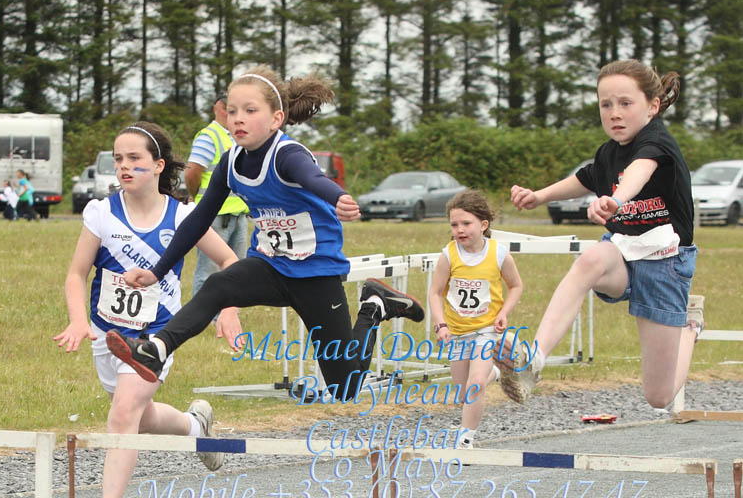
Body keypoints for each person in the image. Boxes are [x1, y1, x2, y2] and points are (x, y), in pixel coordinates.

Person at [105, 66, 425, 403]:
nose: (237, 119)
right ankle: (157, 348)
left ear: (276, 119)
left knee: (344, 388)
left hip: (316, 274)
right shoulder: (230, 163)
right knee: (218, 284)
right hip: (270, 267)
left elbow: (314, 179)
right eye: (232, 111)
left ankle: (373, 307)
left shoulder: (288, 155)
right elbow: (198, 220)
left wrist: (338, 198)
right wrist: (157, 271)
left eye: (249, 110)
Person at [53, 121, 242, 498]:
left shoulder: (182, 217)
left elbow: (231, 259)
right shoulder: (101, 213)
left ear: (158, 165)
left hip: (157, 337)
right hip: (107, 334)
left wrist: (227, 308)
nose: (124, 167)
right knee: (139, 417)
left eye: (135, 159)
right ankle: (197, 427)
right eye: (118, 159)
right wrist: (79, 321)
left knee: (123, 412)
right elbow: (76, 274)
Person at [503, 59, 703, 408]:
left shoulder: (657, 142)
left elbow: (640, 171)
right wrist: (539, 196)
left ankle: (691, 328)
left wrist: (616, 200)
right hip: (624, 251)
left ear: (652, 106)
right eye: (606, 105)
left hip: (665, 262)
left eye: (626, 104)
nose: (614, 113)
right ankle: (535, 359)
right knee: (590, 259)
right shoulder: (610, 151)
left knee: (659, 396)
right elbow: (585, 178)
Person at [428, 190, 523, 448]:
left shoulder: (499, 254)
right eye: (454, 224)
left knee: (474, 384)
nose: (460, 230)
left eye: (466, 223)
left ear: (483, 225)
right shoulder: (449, 255)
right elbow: (435, 293)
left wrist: (504, 312)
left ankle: (465, 438)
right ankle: (494, 371)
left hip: (487, 328)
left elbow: (516, 286)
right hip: (458, 330)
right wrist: (441, 324)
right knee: (462, 391)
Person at [186, 92, 250, 297]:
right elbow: (192, 172)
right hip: (214, 217)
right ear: (219, 108)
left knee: (236, 270)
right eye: (229, 108)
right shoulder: (209, 136)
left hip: (238, 214)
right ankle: (202, 319)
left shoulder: (236, 137)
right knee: (208, 272)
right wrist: (197, 197)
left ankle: (227, 315)